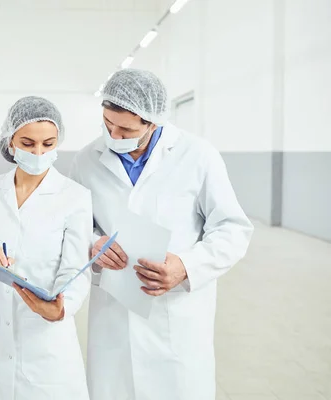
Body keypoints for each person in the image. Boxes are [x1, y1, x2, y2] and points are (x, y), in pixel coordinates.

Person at [70, 69, 254, 400]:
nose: (113, 134)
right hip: (114, 310)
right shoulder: (86, 159)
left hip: (176, 312)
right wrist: (91, 243)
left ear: (153, 122)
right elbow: (75, 224)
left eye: (125, 128)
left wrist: (186, 265)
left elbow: (232, 227)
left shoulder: (197, 155)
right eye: (107, 123)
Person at [0, 96, 92, 400]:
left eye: (48, 144)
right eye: (28, 143)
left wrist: (61, 308)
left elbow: (75, 270)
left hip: (46, 335)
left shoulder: (74, 196)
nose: (38, 152)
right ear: (10, 142)